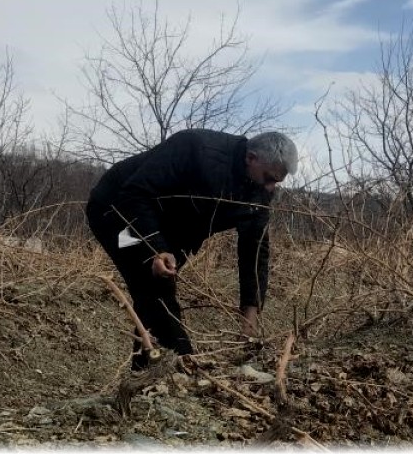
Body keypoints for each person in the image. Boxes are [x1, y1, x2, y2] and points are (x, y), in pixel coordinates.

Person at [86, 129, 297, 370]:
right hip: (118, 213)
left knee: (154, 294)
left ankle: (145, 373)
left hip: (171, 229)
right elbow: (135, 194)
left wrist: (250, 312)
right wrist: (156, 248)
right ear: (251, 158)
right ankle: (182, 367)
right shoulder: (196, 148)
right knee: (155, 286)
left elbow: (255, 250)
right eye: (269, 178)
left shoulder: (259, 192)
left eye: (276, 182)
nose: (270, 188)